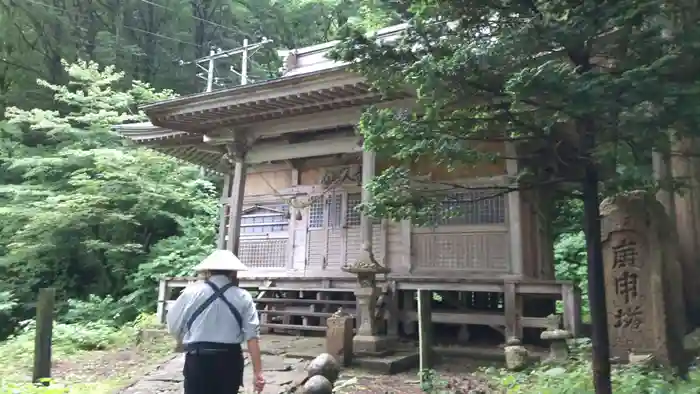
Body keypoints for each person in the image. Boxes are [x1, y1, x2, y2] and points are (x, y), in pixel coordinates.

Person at [166, 249, 265, 394]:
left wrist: (184, 337)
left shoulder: (190, 293)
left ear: (208, 271)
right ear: (233, 273)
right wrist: (258, 373)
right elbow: (252, 338)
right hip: (229, 361)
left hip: (198, 360)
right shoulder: (243, 297)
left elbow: (173, 326)